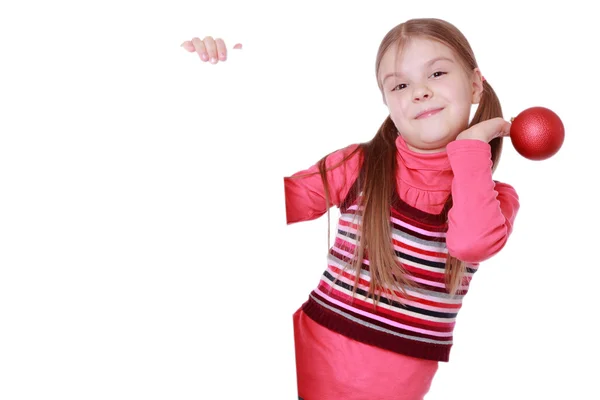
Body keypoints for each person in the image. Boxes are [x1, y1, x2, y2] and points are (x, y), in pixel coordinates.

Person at [182, 17, 520, 400]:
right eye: (401, 85)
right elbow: (238, 208)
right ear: (388, 102)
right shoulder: (360, 165)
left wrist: (473, 147)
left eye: (437, 73)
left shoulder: (493, 196)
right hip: (299, 368)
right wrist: (211, 84)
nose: (420, 92)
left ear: (476, 83)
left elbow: (471, 243)